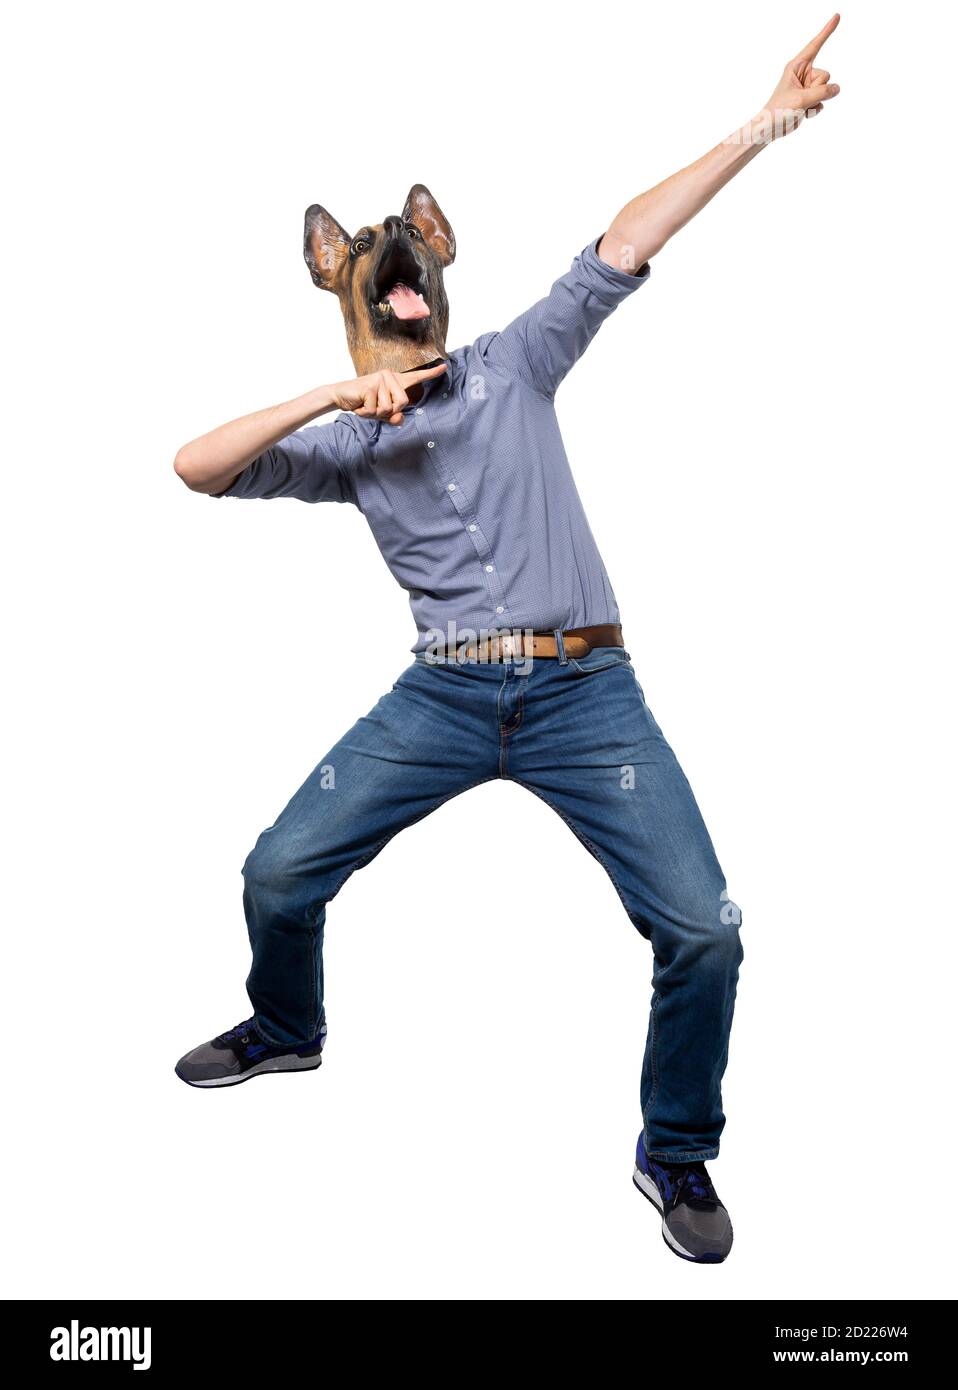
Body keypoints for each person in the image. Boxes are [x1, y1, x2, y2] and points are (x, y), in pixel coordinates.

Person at [172, 17, 841, 1263]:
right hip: (441, 698)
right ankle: (287, 1026)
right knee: (276, 872)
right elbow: (194, 468)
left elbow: (624, 240)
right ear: (339, 280)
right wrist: (331, 393)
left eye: (410, 254)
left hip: (588, 694)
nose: (393, 272)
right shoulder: (340, 451)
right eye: (370, 263)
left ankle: (674, 1149)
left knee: (704, 928)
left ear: (439, 263)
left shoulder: (514, 363)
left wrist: (764, 122)